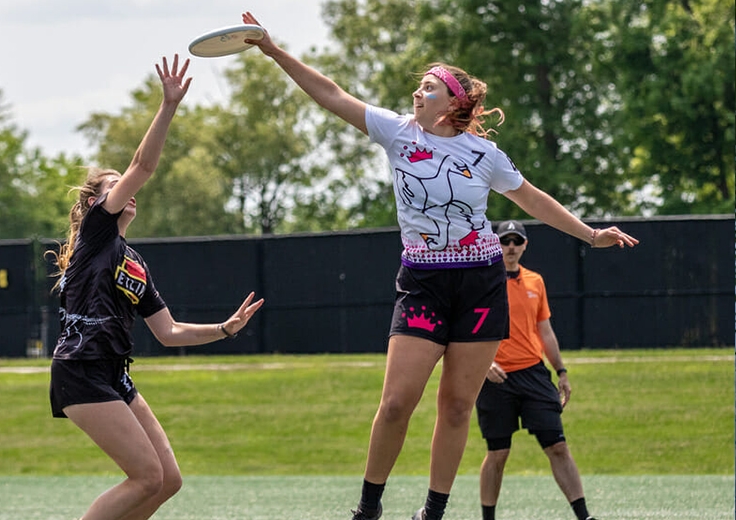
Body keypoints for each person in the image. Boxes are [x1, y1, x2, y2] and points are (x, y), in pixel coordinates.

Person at [242, 12, 637, 520]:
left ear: (453, 101)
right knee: (395, 403)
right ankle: (368, 507)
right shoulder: (397, 133)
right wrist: (275, 52)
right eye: (418, 87)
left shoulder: (485, 153)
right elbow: (332, 94)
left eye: (428, 87)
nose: (417, 93)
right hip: (423, 282)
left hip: (479, 284)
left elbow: (533, 199)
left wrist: (591, 234)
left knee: (454, 408)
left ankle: (433, 511)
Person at [47, 54, 264, 520]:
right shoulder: (96, 231)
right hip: (81, 369)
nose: (128, 190)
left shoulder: (133, 263)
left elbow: (168, 333)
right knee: (146, 477)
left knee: (168, 480)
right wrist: (168, 106)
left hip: (113, 372)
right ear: (94, 204)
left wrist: (224, 329)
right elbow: (142, 166)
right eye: (114, 186)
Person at [476, 220, 596, 520]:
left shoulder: (535, 282)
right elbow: (466, 327)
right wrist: (483, 363)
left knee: (557, 446)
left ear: (525, 245)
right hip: (494, 378)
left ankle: (584, 516)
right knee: (498, 453)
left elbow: (545, 330)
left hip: (533, 373)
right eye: (505, 241)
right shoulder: (482, 280)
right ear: (496, 244)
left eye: (517, 241)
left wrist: (562, 371)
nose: (511, 247)